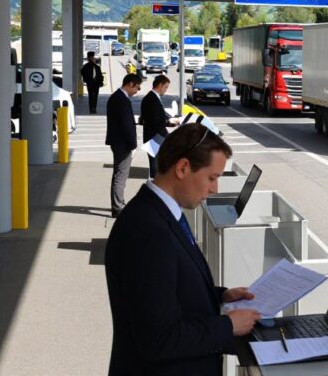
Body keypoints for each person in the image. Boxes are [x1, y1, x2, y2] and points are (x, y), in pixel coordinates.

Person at [105, 124, 261, 375]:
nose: (215, 190)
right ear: (183, 168)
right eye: (212, 178)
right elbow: (159, 339)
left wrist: (219, 295)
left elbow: (165, 287)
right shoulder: (147, 232)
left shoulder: (162, 211)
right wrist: (227, 326)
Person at [106, 73, 143, 217]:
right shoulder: (122, 100)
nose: (137, 91)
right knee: (121, 174)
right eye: (137, 88)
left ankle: (118, 203)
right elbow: (125, 125)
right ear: (131, 84)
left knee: (119, 174)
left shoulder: (117, 97)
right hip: (122, 143)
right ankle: (118, 206)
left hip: (118, 142)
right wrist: (133, 144)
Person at [141, 74, 178, 180]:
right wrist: (169, 123)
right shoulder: (152, 99)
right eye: (166, 87)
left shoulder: (149, 98)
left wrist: (168, 120)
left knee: (156, 167)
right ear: (160, 85)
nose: (166, 90)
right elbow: (156, 121)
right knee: (155, 169)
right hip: (155, 139)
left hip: (152, 137)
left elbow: (155, 117)